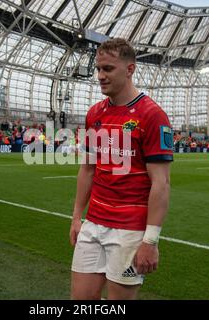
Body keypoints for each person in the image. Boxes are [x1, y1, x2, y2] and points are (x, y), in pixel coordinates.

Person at [69, 38, 173, 300]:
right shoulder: (95, 114)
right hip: (93, 224)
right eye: (99, 69)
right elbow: (88, 169)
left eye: (108, 69)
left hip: (129, 232)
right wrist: (76, 217)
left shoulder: (152, 115)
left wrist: (150, 241)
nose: (101, 76)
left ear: (130, 69)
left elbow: (161, 183)